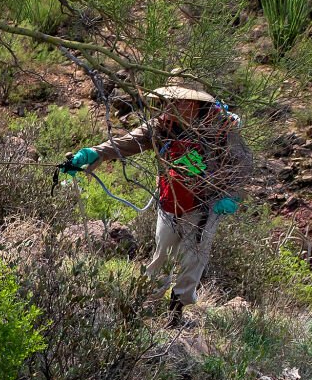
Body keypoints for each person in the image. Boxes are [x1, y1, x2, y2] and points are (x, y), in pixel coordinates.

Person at [63, 76, 253, 321]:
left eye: (180, 101)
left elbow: (244, 163)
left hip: (207, 203)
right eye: (169, 100)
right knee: (162, 252)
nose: (172, 106)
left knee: (194, 255)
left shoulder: (220, 128)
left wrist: (233, 197)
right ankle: (146, 302)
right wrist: (92, 153)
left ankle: (177, 306)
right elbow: (127, 143)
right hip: (169, 199)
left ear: (196, 104)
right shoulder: (161, 126)